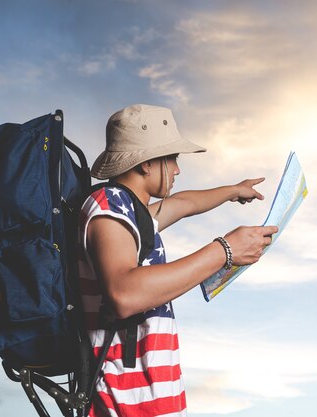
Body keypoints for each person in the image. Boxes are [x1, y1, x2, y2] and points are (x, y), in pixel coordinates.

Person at [77, 104, 277, 417]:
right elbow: (124, 294)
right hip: (128, 403)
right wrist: (225, 250)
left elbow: (183, 204)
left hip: (150, 399)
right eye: (172, 159)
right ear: (146, 163)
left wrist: (232, 191)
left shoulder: (132, 212)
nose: (177, 170)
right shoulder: (107, 204)